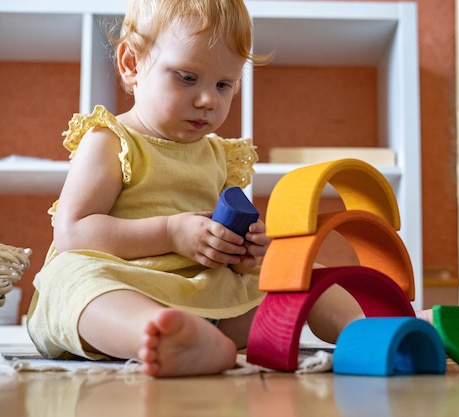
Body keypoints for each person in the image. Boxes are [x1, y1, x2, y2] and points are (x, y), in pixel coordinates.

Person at [26, 0, 365, 378]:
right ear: (132, 64)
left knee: (304, 273)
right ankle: (158, 334)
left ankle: (366, 333)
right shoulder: (111, 140)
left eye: (224, 85)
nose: (208, 100)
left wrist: (245, 247)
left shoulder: (221, 154)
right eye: (187, 77)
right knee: (72, 279)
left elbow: (222, 238)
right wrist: (170, 232)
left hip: (203, 290)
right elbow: (74, 232)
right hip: (123, 281)